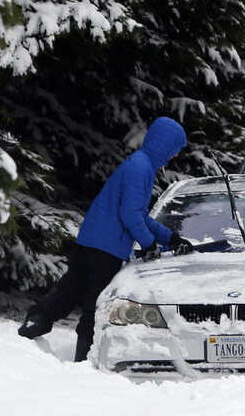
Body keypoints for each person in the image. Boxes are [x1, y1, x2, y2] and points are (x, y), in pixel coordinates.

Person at [18, 116, 194, 361]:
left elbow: (140, 216)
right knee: (96, 304)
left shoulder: (138, 164)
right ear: (165, 145)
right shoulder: (141, 167)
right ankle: (84, 358)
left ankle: (36, 322)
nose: (173, 156)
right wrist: (148, 244)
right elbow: (130, 214)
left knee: (70, 290)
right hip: (107, 248)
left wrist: (170, 238)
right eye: (174, 150)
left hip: (91, 239)